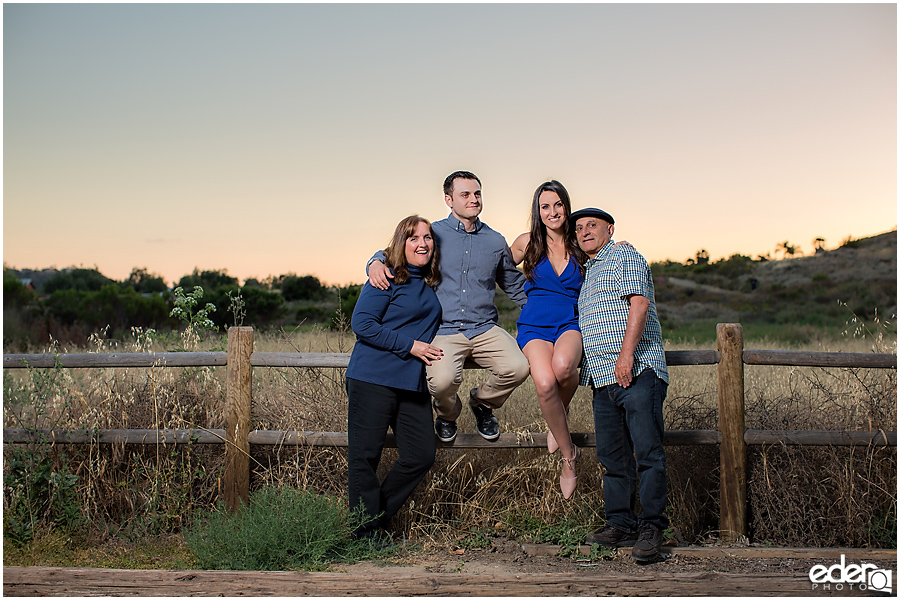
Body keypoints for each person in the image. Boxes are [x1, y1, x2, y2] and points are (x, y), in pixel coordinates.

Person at [367, 171, 530, 443]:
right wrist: (374, 262)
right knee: (442, 382)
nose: (473, 199)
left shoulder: (495, 240)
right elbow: (393, 251)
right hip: (443, 329)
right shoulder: (433, 234)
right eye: (465, 194)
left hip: (485, 327)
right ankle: (447, 415)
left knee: (519, 367)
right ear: (448, 199)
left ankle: (482, 404)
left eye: (477, 193)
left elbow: (514, 285)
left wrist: (550, 309)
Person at [572, 207, 670, 562]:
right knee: (612, 457)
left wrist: (627, 356)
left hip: (637, 370)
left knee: (647, 452)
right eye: (579, 228)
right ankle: (620, 523)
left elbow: (639, 304)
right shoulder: (587, 270)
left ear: (610, 229)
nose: (584, 232)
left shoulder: (623, 255)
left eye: (592, 226)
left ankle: (652, 527)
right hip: (601, 377)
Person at [346, 215, 444, 540]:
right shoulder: (386, 276)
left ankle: (370, 521)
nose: (422, 243)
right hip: (373, 376)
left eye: (427, 237)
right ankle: (365, 536)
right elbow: (362, 323)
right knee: (365, 457)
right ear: (401, 242)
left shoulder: (430, 282)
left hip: (411, 383)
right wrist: (411, 346)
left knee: (421, 455)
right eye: (413, 238)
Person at [509, 180, 585, 499]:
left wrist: (618, 243)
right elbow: (490, 265)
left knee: (565, 368)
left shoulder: (580, 242)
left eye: (558, 205)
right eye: (545, 207)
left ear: (566, 207)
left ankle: (558, 421)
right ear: (537, 212)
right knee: (544, 382)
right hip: (535, 324)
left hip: (570, 320)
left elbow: (607, 254)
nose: (552, 212)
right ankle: (570, 458)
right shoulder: (527, 242)